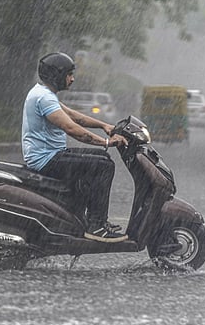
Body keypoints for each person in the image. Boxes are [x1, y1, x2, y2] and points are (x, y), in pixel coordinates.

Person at [22, 52, 128, 241]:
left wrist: (104, 125)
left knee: (103, 158)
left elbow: (73, 115)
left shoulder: (44, 93)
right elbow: (71, 128)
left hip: (51, 155)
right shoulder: (44, 98)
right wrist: (105, 142)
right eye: (69, 74)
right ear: (56, 75)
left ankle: (90, 220)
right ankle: (96, 225)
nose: (72, 79)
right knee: (103, 166)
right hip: (46, 160)